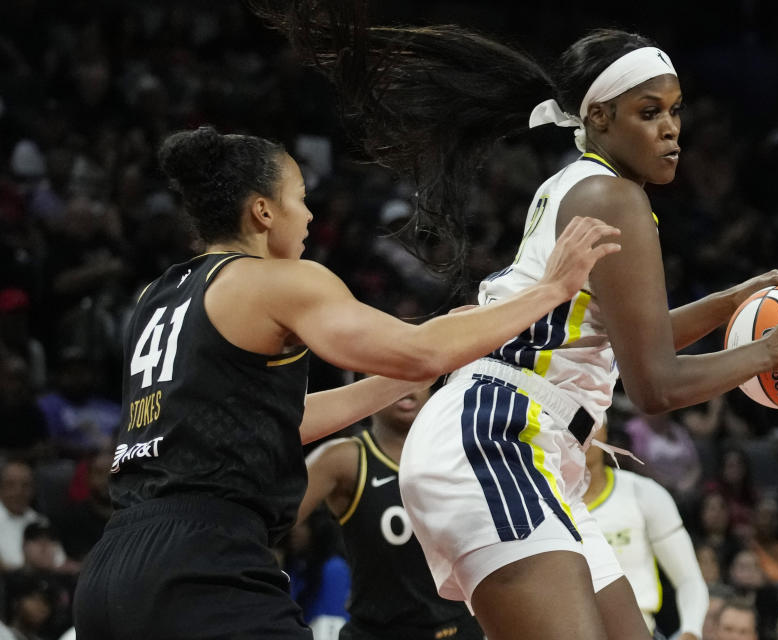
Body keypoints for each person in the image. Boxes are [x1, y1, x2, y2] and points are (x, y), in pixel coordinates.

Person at [255, 7, 778, 639]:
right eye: (649, 113)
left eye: (676, 111)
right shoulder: (611, 196)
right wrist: (768, 352)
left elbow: (625, 338)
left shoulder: (584, 184)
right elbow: (654, 386)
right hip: (497, 437)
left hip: (531, 446)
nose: (671, 130)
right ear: (598, 117)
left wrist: (732, 300)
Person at [71, 125, 620, 639]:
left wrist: (409, 370)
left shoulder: (156, 298)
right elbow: (420, 349)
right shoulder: (276, 282)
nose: (309, 215)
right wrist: (550, 290)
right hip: (203, 563)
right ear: (263, 211)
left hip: (112, 568)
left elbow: (275, 420)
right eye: (300, 197)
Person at [297, 381, 484, 640]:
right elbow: (264, 517)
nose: (406, 384)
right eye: (390, 372)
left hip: (461, 630)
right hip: (377, 632)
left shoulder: (462, 453)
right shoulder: (345, 459)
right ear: (363, 381)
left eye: (416, 374)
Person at [583, 424, 708, 640]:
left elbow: (689, 579)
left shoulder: (642, 493)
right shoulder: (535, 500)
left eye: (588, 423)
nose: (578, 434)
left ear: (604, 428)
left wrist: (690, 632)